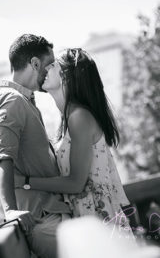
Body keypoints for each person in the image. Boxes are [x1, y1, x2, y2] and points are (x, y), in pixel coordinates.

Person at [14, 48, 132, 233]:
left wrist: (25, 181)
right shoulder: (70, 119)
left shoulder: (79, 117)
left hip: (100, 223)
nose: (45, 69)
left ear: (67, 76)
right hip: (89, 220)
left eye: (52, 65)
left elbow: (76, 183)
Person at [0, 34, 72, 258]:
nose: (53, 70)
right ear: (34, 63)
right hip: (43, 220)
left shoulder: (22, 99)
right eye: (49, 64)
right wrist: (10, 211)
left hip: (50, 217)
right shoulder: (11, 100)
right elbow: (2, 158)